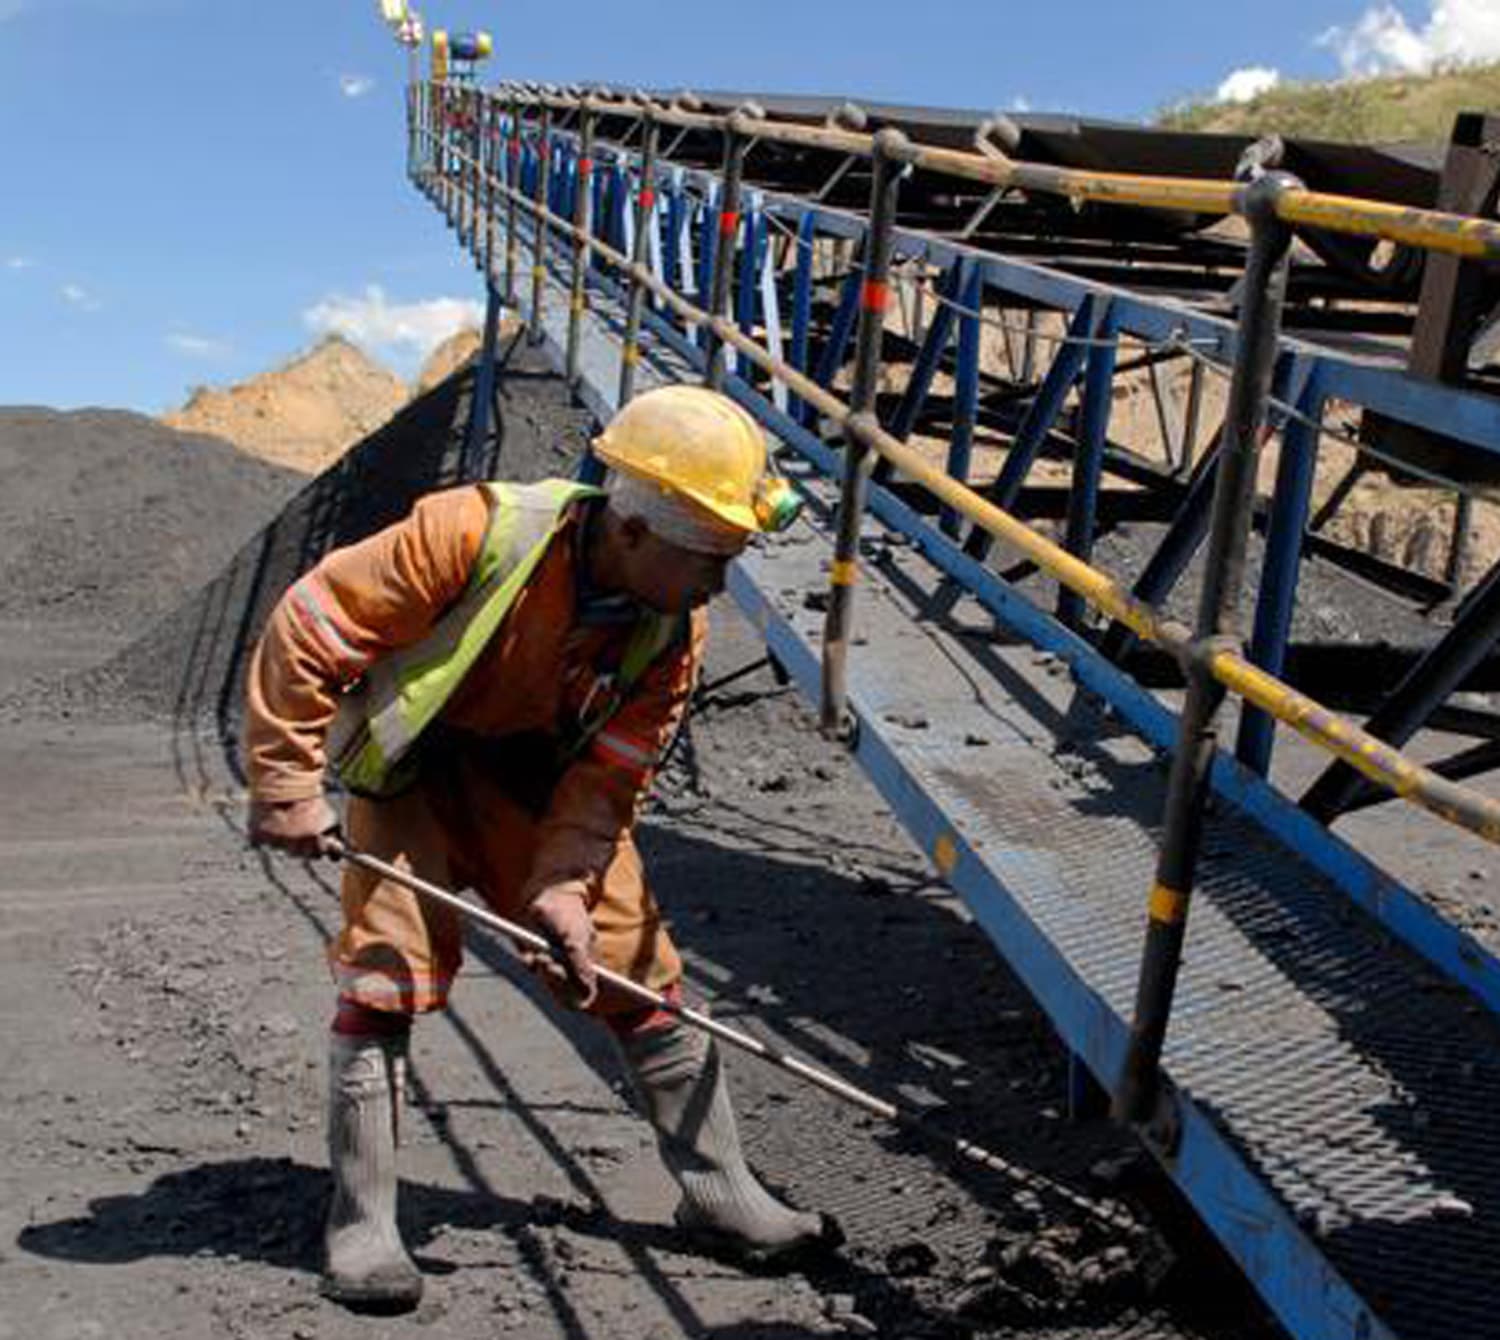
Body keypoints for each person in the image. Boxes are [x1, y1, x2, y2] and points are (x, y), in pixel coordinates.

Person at [243, 384, 828, 1309]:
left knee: (633, 963)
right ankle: (362, 1225)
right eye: (710, 559)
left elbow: (611, 776)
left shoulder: (671, 628)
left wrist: (564, 886)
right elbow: (307, 628)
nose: (719, 585)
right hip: (413, 775)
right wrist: (285, 783)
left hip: (535, 789)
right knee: (387, 972)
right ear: (630, 529)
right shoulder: (469, 533)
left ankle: (722, 1195)